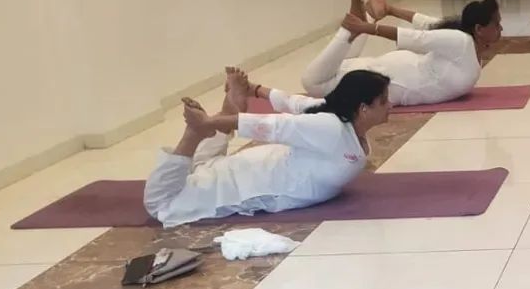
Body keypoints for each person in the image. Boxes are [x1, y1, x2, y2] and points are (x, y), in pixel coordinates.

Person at [143, 66, 390, 227]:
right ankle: (196, 132)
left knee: (202, 167)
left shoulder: (337, 118)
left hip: (266, 166)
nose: (390, 105)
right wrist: (210, 121)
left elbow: (296, 102)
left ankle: (218, 120)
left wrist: (255, 90)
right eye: (383, 100)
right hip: (258, 181)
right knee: (161, 203)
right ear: (363, 108)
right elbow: (274, 125)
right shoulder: (331, 127)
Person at [299, 0, 502, 105]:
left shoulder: (462, 39)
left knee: (332, 71)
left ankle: (366, 18)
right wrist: (368, 28)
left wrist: (390, 10)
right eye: (496, 24)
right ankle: (353, 28)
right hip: (386, 79)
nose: (500, 29)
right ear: (479, 29)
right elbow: (418, 38)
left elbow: (428, 24)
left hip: (386, 76)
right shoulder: (462, 42)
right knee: (312, 83)